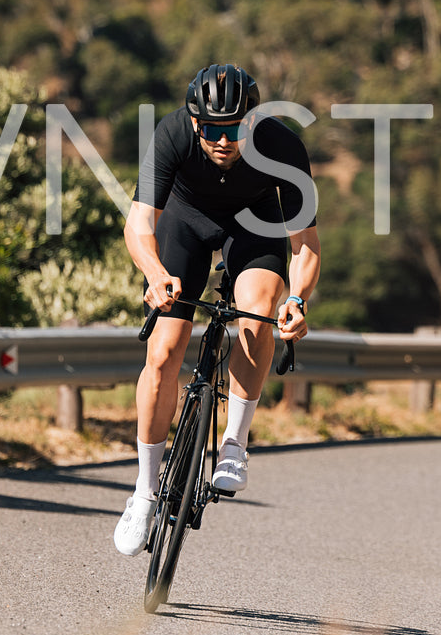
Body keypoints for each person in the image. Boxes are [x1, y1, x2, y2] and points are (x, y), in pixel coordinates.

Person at [114, 63, 320, 556]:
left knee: (257, 311)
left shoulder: (283, 146)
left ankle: (234, 444)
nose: (223, 141)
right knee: (164, 351)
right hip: (185, 223)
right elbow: (139, 222)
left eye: (234, 129)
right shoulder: (172, 134)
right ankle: (143, 492)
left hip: (254, 227)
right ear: (195, 123)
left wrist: (297, 300)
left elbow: (305, 243)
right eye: (212, 130)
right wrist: (155, 274)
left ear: (252, 121)